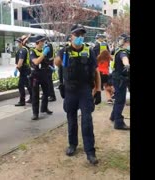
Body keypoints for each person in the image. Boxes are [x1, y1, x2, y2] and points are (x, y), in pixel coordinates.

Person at [54, 24, 102, 165]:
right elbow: (56, 63)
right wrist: (62, 53)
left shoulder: (89, 50)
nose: (80, 38)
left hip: (85, 90)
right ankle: (72, 144)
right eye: (77, 35)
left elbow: (96, 72)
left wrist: (98, 90)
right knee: (71, 119)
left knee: (87, 121)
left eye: (82, 35)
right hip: (70, 91)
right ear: (71, 37)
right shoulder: (65, 51)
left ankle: (90, 152)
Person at [29, 35, 53, 120]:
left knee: (46, 92)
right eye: (42, 41)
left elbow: (45, 61)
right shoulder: (33, 51)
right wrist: (44, 53)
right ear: (38, 42)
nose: (43, 43)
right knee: (35, 94)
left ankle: (44, 108)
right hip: (36, 75)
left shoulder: (44, 51)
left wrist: (50, 66)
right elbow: (36, 62)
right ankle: (35, 113)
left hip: (44, 74)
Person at [109, 34, 130, 130]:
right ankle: (118, 123)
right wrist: (127, 64)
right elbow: (124, 58)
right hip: (120, 80)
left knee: (118, 99)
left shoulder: (118, 50)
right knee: (120, 101)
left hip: (117, 78)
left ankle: (113, 116)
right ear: (126, 42)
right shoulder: (123, 52)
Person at [93, 34, 114, 104]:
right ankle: (109, 99)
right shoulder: (108, 56)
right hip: (106, 73)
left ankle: (91, 98)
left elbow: (94, 60)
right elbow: (112, 59)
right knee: (107, 87)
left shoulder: (97, 54)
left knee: (96, 87)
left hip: (99, 73)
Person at [14, 35, 32, 106]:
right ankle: (33, 98)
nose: (17, 44)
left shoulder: (23, 50)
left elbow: (20, 61)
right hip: (25, 70)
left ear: (21, 43)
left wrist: (16, 69)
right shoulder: (22, 49)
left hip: (25, 70)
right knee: (28, 85)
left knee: (20, 85)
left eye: (18, 42)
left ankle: (22, 101)